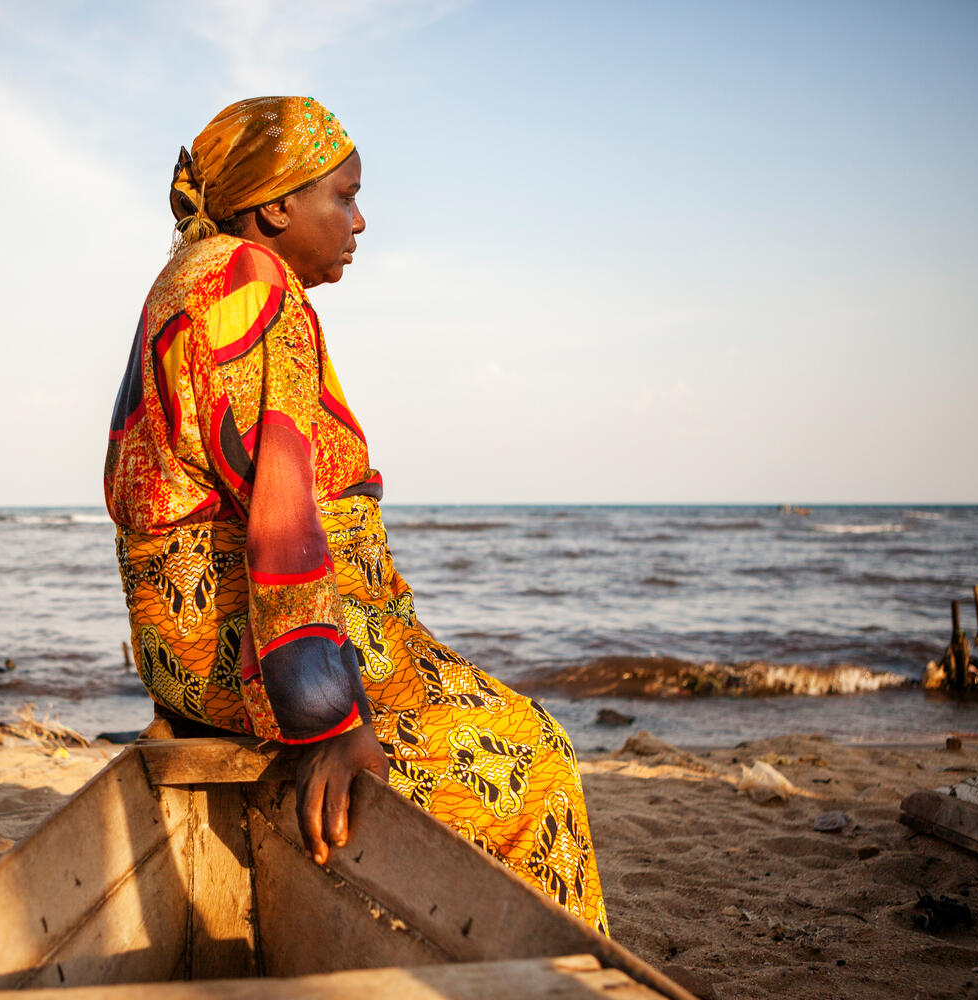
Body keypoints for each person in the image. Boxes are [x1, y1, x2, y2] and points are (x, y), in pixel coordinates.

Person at [104, 96, 607, 934]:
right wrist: (325, 720)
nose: (360, 219)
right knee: (539, 763)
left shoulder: (189, 280)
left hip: (199, 656)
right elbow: (280, 516)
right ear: (277, 205)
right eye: (344, 195)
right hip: (270, 661)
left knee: (499, 719)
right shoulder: (251, 286)